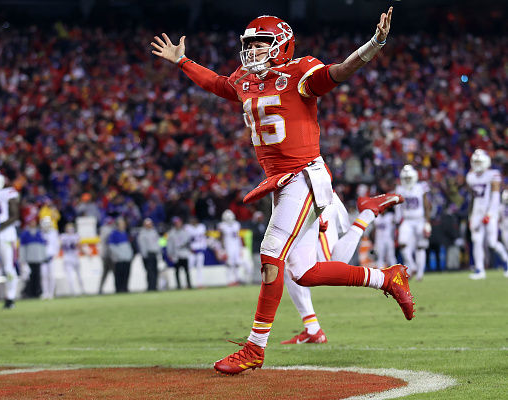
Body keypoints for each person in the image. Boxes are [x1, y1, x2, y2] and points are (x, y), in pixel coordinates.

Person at [152, 7, 414, 376]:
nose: (253, 52)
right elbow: (217, 83)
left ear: (281, 46)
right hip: (283, 181)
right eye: (250, 45)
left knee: (270, 251)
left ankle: (254, 348)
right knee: (302, 271)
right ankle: (387, 278)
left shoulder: (299, 72)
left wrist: (375, 43)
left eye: (261, 45)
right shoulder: (245, 79)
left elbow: (339, 71)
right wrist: (183, 62)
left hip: (304, 174)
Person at [282, 192, 404, 345]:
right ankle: (312, 328)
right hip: (311, 200)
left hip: (314, 201)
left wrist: (316, 208)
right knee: (294, 267)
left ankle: (367, 213)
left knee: (322, 266)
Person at [466, 150, 508, 280]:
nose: (477, 164)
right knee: (476, 240)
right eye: (475, 161)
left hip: (491, 211)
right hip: (477, 213)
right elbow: (473, 198)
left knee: (492, 243)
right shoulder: (471, 177)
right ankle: (480, 270)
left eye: (479, 161)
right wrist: (471, 216)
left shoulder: (493, 175)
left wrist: (489, 214)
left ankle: (506, 262)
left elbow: (495, 196)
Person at [394, 165, 432, 281]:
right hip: (407, 220)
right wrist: (397, 221)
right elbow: (398, 207)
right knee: (402, 243)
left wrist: (428, 221)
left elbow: (427, 204)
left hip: (419, 219)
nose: (408, 181)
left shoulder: (421, 187)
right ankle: (412, 266)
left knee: (421, 246)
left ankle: (420, 273)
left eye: (409, 178)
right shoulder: (400, 189)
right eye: (406, 179)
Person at [0, 169, 21, 308]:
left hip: (6, 234)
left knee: (8, 268)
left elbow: (14, 215)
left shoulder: (7, 193)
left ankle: (10, 298)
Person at [19, 216, 47, 298]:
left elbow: (42, 246)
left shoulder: (39, 233)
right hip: (29, 258)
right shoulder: (25, 234)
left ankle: (37, 292)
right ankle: (29, 292)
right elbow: (22, 248)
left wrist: (43, 257)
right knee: (29, 277)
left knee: (37, 276)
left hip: (38, 258)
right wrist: (22, 259)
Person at [217, 209, 245, 286]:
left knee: (237, 264)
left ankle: (236, 279)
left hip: (236, 246)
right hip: (228, 247)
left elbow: (238, 237)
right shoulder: (221, 226)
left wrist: (240, 247)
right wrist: (222, 249)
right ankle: (229, 280)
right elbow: (221, 238)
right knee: (229, 264)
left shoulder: (236, 224)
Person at [108, 217, 134, 293]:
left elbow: (127, 246)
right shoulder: (114, 234)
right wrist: (119, 254)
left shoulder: (125, 233)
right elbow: (111, 247)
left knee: (126, 274)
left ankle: (125, 288)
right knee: (119, 275)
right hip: (119, 259)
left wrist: (129, 254)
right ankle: (119, 289)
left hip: (126, 258)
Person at [166, 216, 192, 289]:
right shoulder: (171, 233)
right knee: (177, 271)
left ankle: (189, 284)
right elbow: (169, 244)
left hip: (184, 254)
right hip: (176, 255)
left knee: (186, 271)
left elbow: (188, 242)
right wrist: (169, 254)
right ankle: (178, 286)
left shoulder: (185, 232)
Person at [59, 222, 85, 296]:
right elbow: (79, 246)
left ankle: (75, 291)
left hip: (69, 257)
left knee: (74, 275)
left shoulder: (63, 237)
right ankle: (78, 290)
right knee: (75, 275)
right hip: (71, 257)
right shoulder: (74, 236)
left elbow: (60, 246)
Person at [137, 218, 161, 291]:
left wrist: (160, 250)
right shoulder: (142, 234)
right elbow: (142, 245)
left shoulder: (154, 232)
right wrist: (144, 255)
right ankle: (150, 287)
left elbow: (158, 242)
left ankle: (155, 286)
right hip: (148, 254)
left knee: (155, 271)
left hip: (154, 253)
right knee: (150, 272)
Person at [40, 216, 60, 299]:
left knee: (51, 275)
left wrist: (54, 254)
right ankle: (45, 292)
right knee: (43, 275)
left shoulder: (54, 232)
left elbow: (56, 245)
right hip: (42, 257)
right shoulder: (40, 233)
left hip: (51, 256)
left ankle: (51, 293)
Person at [186, 216, 208, 288]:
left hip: (199, 251)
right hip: (191, 251)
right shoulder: (188, 228)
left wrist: (203, 248)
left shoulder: (201, 227)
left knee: (200, 268)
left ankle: (200, 284)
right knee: (189, 268)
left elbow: (204, 238)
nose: (193, 222)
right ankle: (188, 284)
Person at [98, 216, 116, 294]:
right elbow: (109, 242)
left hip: (104, 254)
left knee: (105, 273)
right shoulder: (109, 230)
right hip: (108, 254)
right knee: (114, 272)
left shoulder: (103, 229)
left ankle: (100, 289)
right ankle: (118, 288)